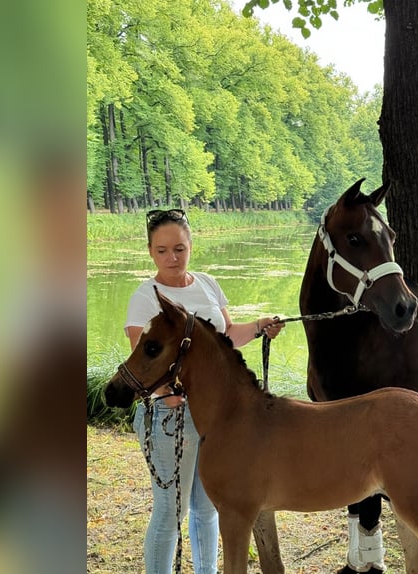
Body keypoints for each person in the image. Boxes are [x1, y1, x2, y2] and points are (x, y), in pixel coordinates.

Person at [125, 208, 285, 574]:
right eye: (162, 250)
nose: (172, 258)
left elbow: (226, 337)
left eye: (179, 248)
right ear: (150, 251)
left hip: (212, 416)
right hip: (168, 414)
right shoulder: (145, 296)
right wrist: (168, 394)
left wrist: (260, 326)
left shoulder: (208, 284)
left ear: (191, 245)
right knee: (170, 510)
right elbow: (143, 360)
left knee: (208, 505)